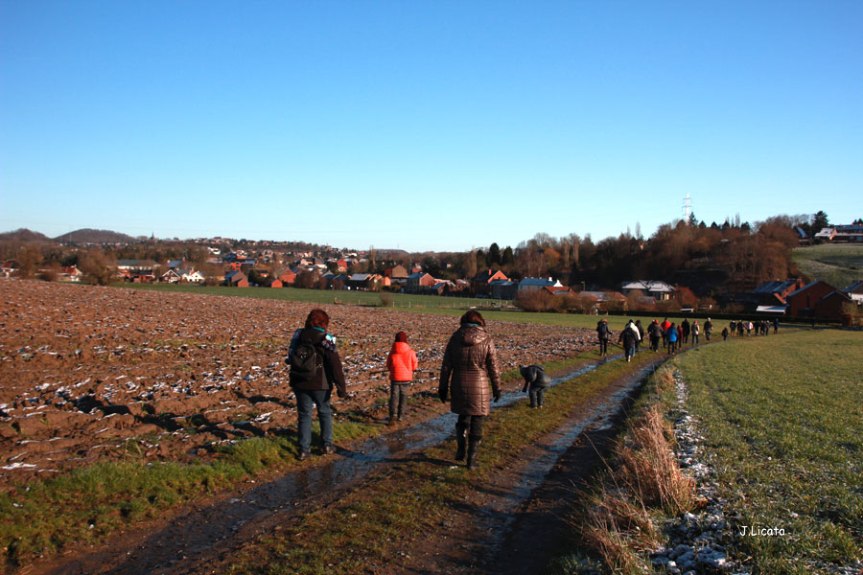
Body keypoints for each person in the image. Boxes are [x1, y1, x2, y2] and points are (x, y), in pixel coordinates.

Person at [439, 310, 501, 469]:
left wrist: (443, 388)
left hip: (458, 383)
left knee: (463, 417)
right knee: (477, 420)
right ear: (480, 322)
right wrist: (497, 388)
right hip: (479, 385)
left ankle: (461, 449)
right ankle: (471, 460)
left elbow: (446, 366)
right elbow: (493, 367)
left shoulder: (455, 338)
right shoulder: (487, 339)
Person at [286, 309, 347, 460]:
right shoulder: (327, 338)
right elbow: (335, 364)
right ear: (324, 323)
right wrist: (341, 386)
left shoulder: (298, 334)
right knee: (324, 412)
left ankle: (303, 450)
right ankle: (326, 445)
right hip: (321, 383)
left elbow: (290, 356)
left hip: (300, 381)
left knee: (304, 415)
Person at [386, 331, 418, 425]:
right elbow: (414, 366)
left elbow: (388, 365)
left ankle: (393, 416)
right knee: (403, 396)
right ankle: (401, 416)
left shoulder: (392, 352)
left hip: (395, 377)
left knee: (394, 397)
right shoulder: (411, 352)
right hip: (406, 378)